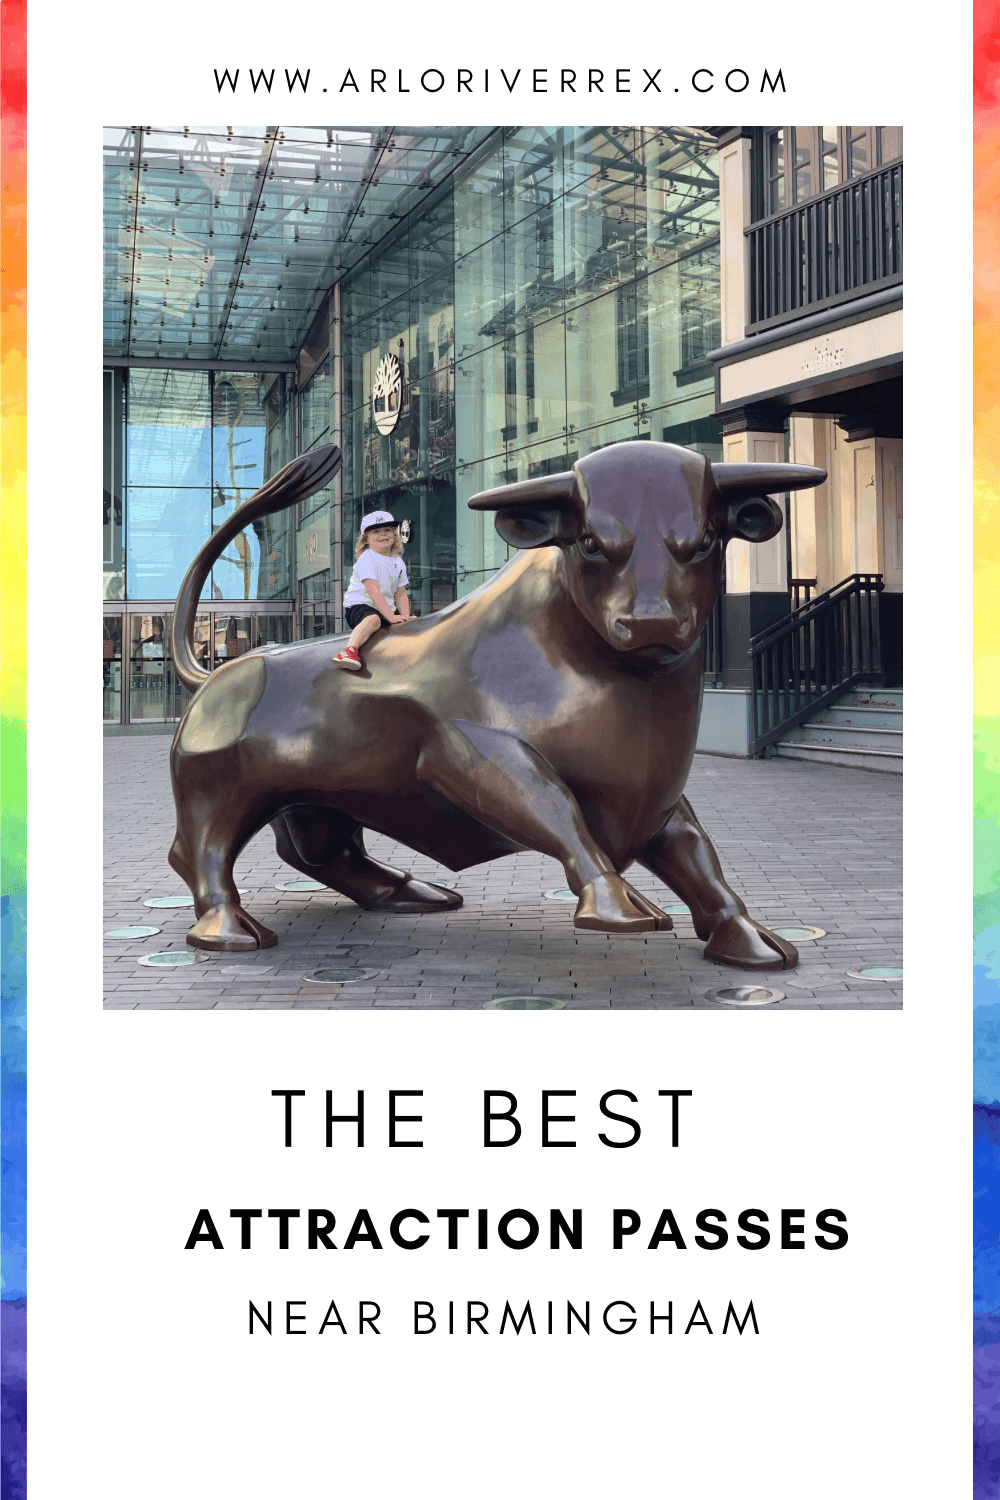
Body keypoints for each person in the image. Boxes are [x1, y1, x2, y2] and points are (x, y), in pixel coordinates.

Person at [334, 510, 410, 671]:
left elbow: (400, 593)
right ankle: (349, 651)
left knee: (406, 627)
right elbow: (373, 591)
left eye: (388, 530)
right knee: (372, 620)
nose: (383, 535)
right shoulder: (367, 559)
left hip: (386, 610)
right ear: (365, 539)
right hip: (361, 606)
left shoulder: (398, 562)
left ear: (395, 535)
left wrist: (405, 616)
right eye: (376, 531)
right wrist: (391, 616)